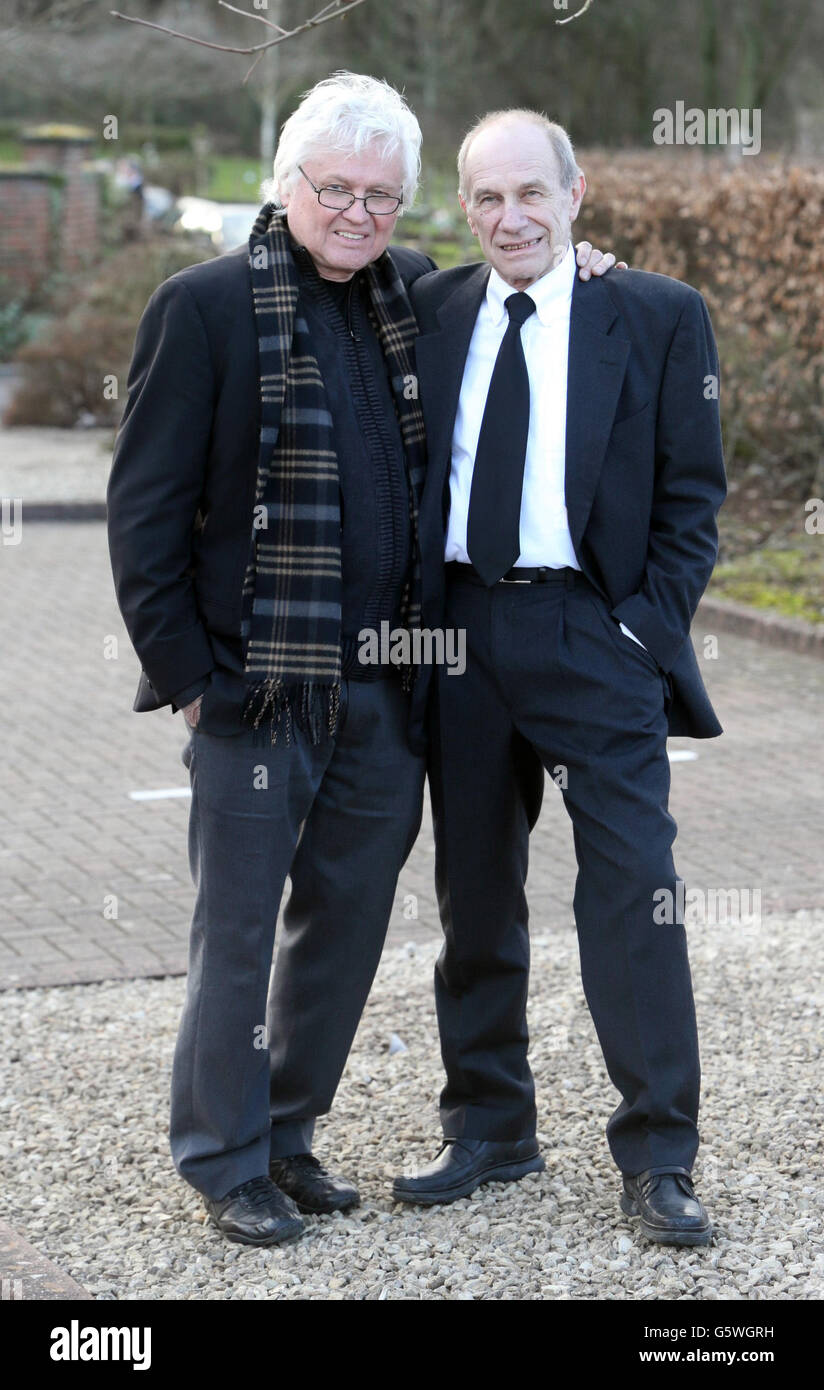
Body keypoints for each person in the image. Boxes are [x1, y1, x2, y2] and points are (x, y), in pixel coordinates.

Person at [107, 75, 616, 1248]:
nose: (354, 211)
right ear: (286, 182)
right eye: (332, 188)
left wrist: (590, 266)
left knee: (338, 928)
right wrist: (189, 675)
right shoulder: (206, 306)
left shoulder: (413, 296)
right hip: (252, 690)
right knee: (235, 935)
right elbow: (143, 513)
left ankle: (287, 1133)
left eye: (378, 194)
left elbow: (530, 276)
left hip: (386, 689)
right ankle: (224, 1160)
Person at [393, 110, 726, 1248]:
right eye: (484, 198)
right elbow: (311, 243)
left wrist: (643, 632)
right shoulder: (427, 307)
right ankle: (490, 1125)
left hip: (595, 635)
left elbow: (693, 499)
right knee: (472, 892)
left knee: (633, 892)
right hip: (461, 638)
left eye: (529, 193)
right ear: (462, 206)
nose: (508, 218)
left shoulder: (654, 314)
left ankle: (658, 1154)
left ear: (575, 197)